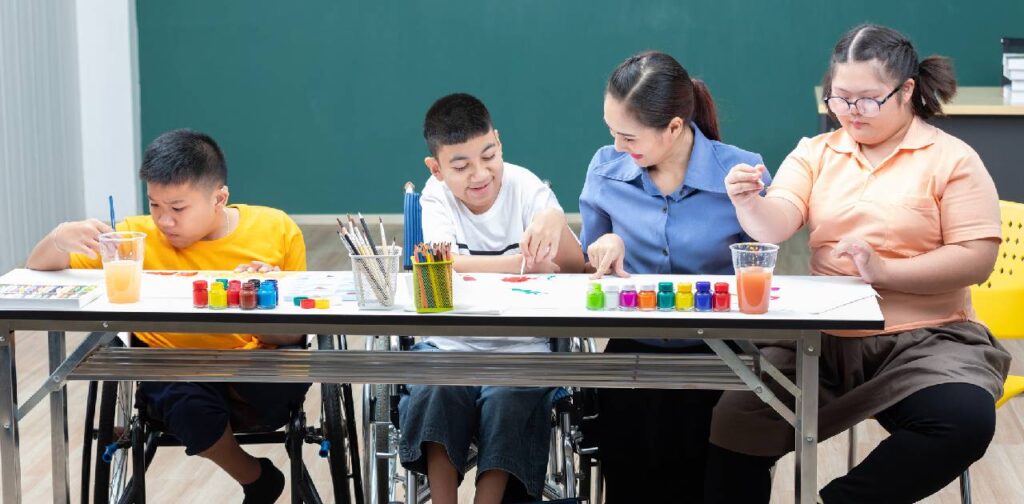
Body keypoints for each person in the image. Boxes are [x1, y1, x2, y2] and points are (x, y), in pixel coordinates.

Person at [706, 24, 1011, 503]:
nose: (850, 113)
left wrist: (885, 272)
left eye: (866, 100)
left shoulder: (952, 158)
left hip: (924, 342)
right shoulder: (816, 153)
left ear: (906, 90)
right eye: (839, 99)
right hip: (821, 343)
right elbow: (777, 222)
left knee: (963, 420)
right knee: (734, 421)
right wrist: (748, 203)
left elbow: (977, 259)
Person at [26, 129, 310, 504]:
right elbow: (39, 266)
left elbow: (294, 339)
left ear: (219, 198)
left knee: (273, 375)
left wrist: (258, 304)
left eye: (178, 208)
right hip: (177, 372)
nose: (164, 220)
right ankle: (254, 476)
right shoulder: (132, 239)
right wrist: (59, 238)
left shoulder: (276, 229)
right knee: (184, 400)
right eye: (155, 205)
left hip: (258, 368)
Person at [578, 50, 770, 502]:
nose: (618, 146)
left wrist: (754, 206)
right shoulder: (607, 171)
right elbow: (591, 260)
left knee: (722, 473)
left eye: (628, 136)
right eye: (611, 131)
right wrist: (604, 249)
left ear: (675, 127)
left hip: (722, 353)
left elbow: (764, 259)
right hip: (632, 351)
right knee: (629, 455)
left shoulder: (740, 173)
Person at [398, 92, 584, 503]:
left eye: (489, 155)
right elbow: (444, 265)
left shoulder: (527, 187)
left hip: (522, 347)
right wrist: (523, 262)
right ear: (437, 168)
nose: (480, 174)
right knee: (434, 387)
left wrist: (555, 219)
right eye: (461, 166)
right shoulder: (435, 195)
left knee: (507, 398)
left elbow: (576, 269)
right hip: (452, 343)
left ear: (499, 142)